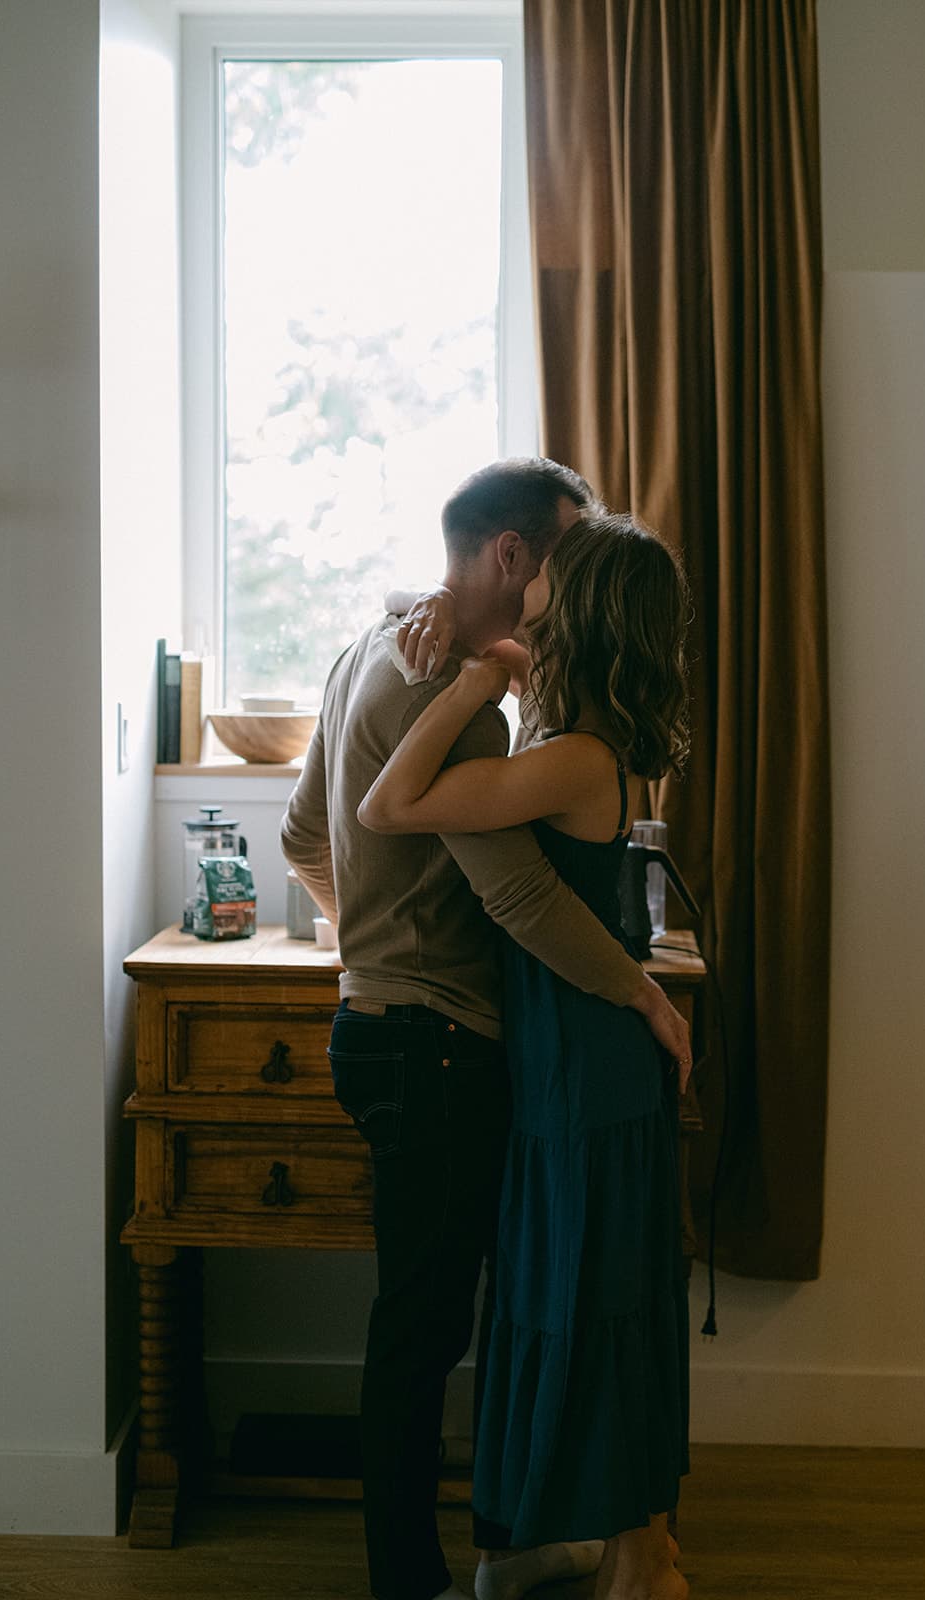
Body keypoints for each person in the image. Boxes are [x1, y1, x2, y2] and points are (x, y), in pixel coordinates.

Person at [280, 460, 691, 1600]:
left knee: (442, 1315)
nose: (566, 584)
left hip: (377, 1026)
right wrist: (639, 990)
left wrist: (367, 941)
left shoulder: (369, 650)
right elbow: (516, 896)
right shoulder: (440, 690)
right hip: (439, 1044)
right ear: (512, 557)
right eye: (560, 557)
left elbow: (304, 838)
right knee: (422, 1333)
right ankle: (408, 1581)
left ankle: (542, 1538)